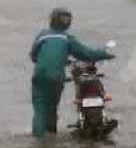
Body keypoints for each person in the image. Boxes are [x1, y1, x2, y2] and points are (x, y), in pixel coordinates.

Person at [29, 7, 114, 138]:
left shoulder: (42, 35)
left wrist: (49, 61)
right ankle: (51, 137)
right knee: (52, 109)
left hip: (39, 76)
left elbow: (33, 55)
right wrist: (105, 54)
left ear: (52, 20)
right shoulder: (66, 38)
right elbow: (87, 54)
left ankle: (38, 140)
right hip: (57, 78)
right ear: (68, 23)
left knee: (40, 110)